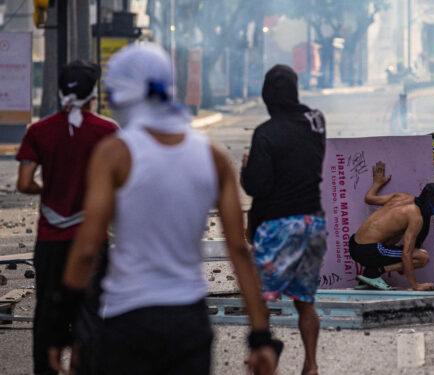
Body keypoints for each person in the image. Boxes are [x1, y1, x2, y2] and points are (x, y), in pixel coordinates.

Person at [48, 44, 281, 375]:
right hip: (189, 321)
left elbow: (86, 250)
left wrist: (60, 329)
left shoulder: (114, 153)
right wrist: (260, 338)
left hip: (127, 318)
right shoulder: (213, 157)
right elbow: (239, 251)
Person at [15, 60, 118, 375]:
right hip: (92, 240)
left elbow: (23, 183)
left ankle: (46, 368)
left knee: (47, 311)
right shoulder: (108, 131)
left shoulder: (39, 131)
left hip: (50, 241)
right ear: (93, 93)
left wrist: (44, 189)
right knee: (90, 312)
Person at [240, 64, 327, 375]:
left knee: (260, 299)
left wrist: (245, 170)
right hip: (313, 223)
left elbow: (258, 187)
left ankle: (264, 358)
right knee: (305, 301)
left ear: (267, 95)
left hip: (278, 226)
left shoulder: (265, 133)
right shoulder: (316, 121)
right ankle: (311, 365)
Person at [350, 161, 434, 291]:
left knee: (396, 235)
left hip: (354, 244)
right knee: (422, 257)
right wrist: (416, 285)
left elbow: (369, 198)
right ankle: (374, 272)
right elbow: (407, 253)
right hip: (368, 250)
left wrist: (377, 184)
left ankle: (370, 276)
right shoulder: (416, 217)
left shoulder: (402, 196)